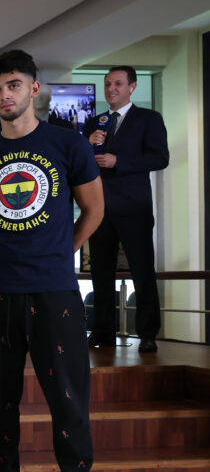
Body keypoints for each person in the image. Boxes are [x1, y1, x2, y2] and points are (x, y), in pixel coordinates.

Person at [0, 50, 105, 472]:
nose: (6, 95)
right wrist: (13, 254)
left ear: (34, 88)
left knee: (68, 397)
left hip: (55, 290)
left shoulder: (68, 144)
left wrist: (60, 253)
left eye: (14, 85)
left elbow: (94, 209)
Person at [82, 66, 169, 353]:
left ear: (132, 87)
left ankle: (148, 333)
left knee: (142, 272)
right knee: (100, 273)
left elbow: (160, 158)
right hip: (100, 208)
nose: (111, 89)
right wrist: (87, 145)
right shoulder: (95, 122)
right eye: (108, 84)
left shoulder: (149, 119)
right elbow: (79, 164)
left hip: (134, 207)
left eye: (118, 84)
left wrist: (119, 161)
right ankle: (102, 331)